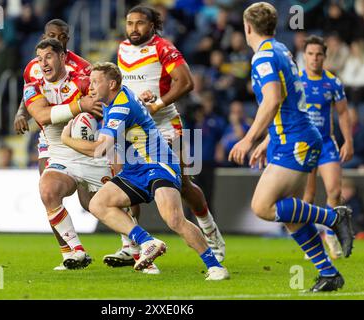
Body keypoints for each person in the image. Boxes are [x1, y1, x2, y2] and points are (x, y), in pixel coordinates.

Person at [61, 62, 230, 281]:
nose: (90, 87)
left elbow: (100, 149)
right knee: (98, 204)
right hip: (135, 169)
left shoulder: (119, 108)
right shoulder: (115, 99)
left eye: (95, 82)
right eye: (90, 82)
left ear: (111, 84)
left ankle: (215, 266)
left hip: (158, 164)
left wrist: (67, 140)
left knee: (174, 219)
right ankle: (147, 241)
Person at [228, 2, 354, 292]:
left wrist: (249, 139)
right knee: (292, 216)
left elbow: (272, 100)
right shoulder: (282, 49)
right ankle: (328, 273)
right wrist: (267, 139)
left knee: (263, 206)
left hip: (294, 140)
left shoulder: (263, 58)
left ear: (248, 28)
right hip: (292, 136)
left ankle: (334, 216)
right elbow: (288, 101)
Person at [104, 4, 226, 268]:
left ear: (152, 25)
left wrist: (156, 104)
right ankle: (132, 244)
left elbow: (186, 82)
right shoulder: (122, 48)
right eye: (129, 23)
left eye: (139, 23)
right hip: (135, 128)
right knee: (125, 180)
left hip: (164, 125)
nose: (133, 28)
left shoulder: (163, 47)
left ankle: (211, 232)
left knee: (182, 184)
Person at [14, 19, 100, 270]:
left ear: (67, 42)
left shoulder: (83, 69)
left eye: (62, 37)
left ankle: (130, 245)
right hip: (49, 139)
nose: (57, 39)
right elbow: (30, 94)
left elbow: (97, 103)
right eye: (51, 35)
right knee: (48, 191)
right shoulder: (33, 67)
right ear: (43, 36)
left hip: (81, 139)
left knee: (90, 202)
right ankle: (70, 253)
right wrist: (22, 113)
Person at [300, 35, 354, 260]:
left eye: (319, 54)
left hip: (326, 144)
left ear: (325, 56)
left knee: (334, 191)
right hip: (304, 145)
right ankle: (312, 242)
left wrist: (348, 141)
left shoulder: (333, 82)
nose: (314, 58)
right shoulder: (296, 81)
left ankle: (330, 235)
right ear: (305, 56)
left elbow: (342, 113)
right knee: (308, 197)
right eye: (310, 54)